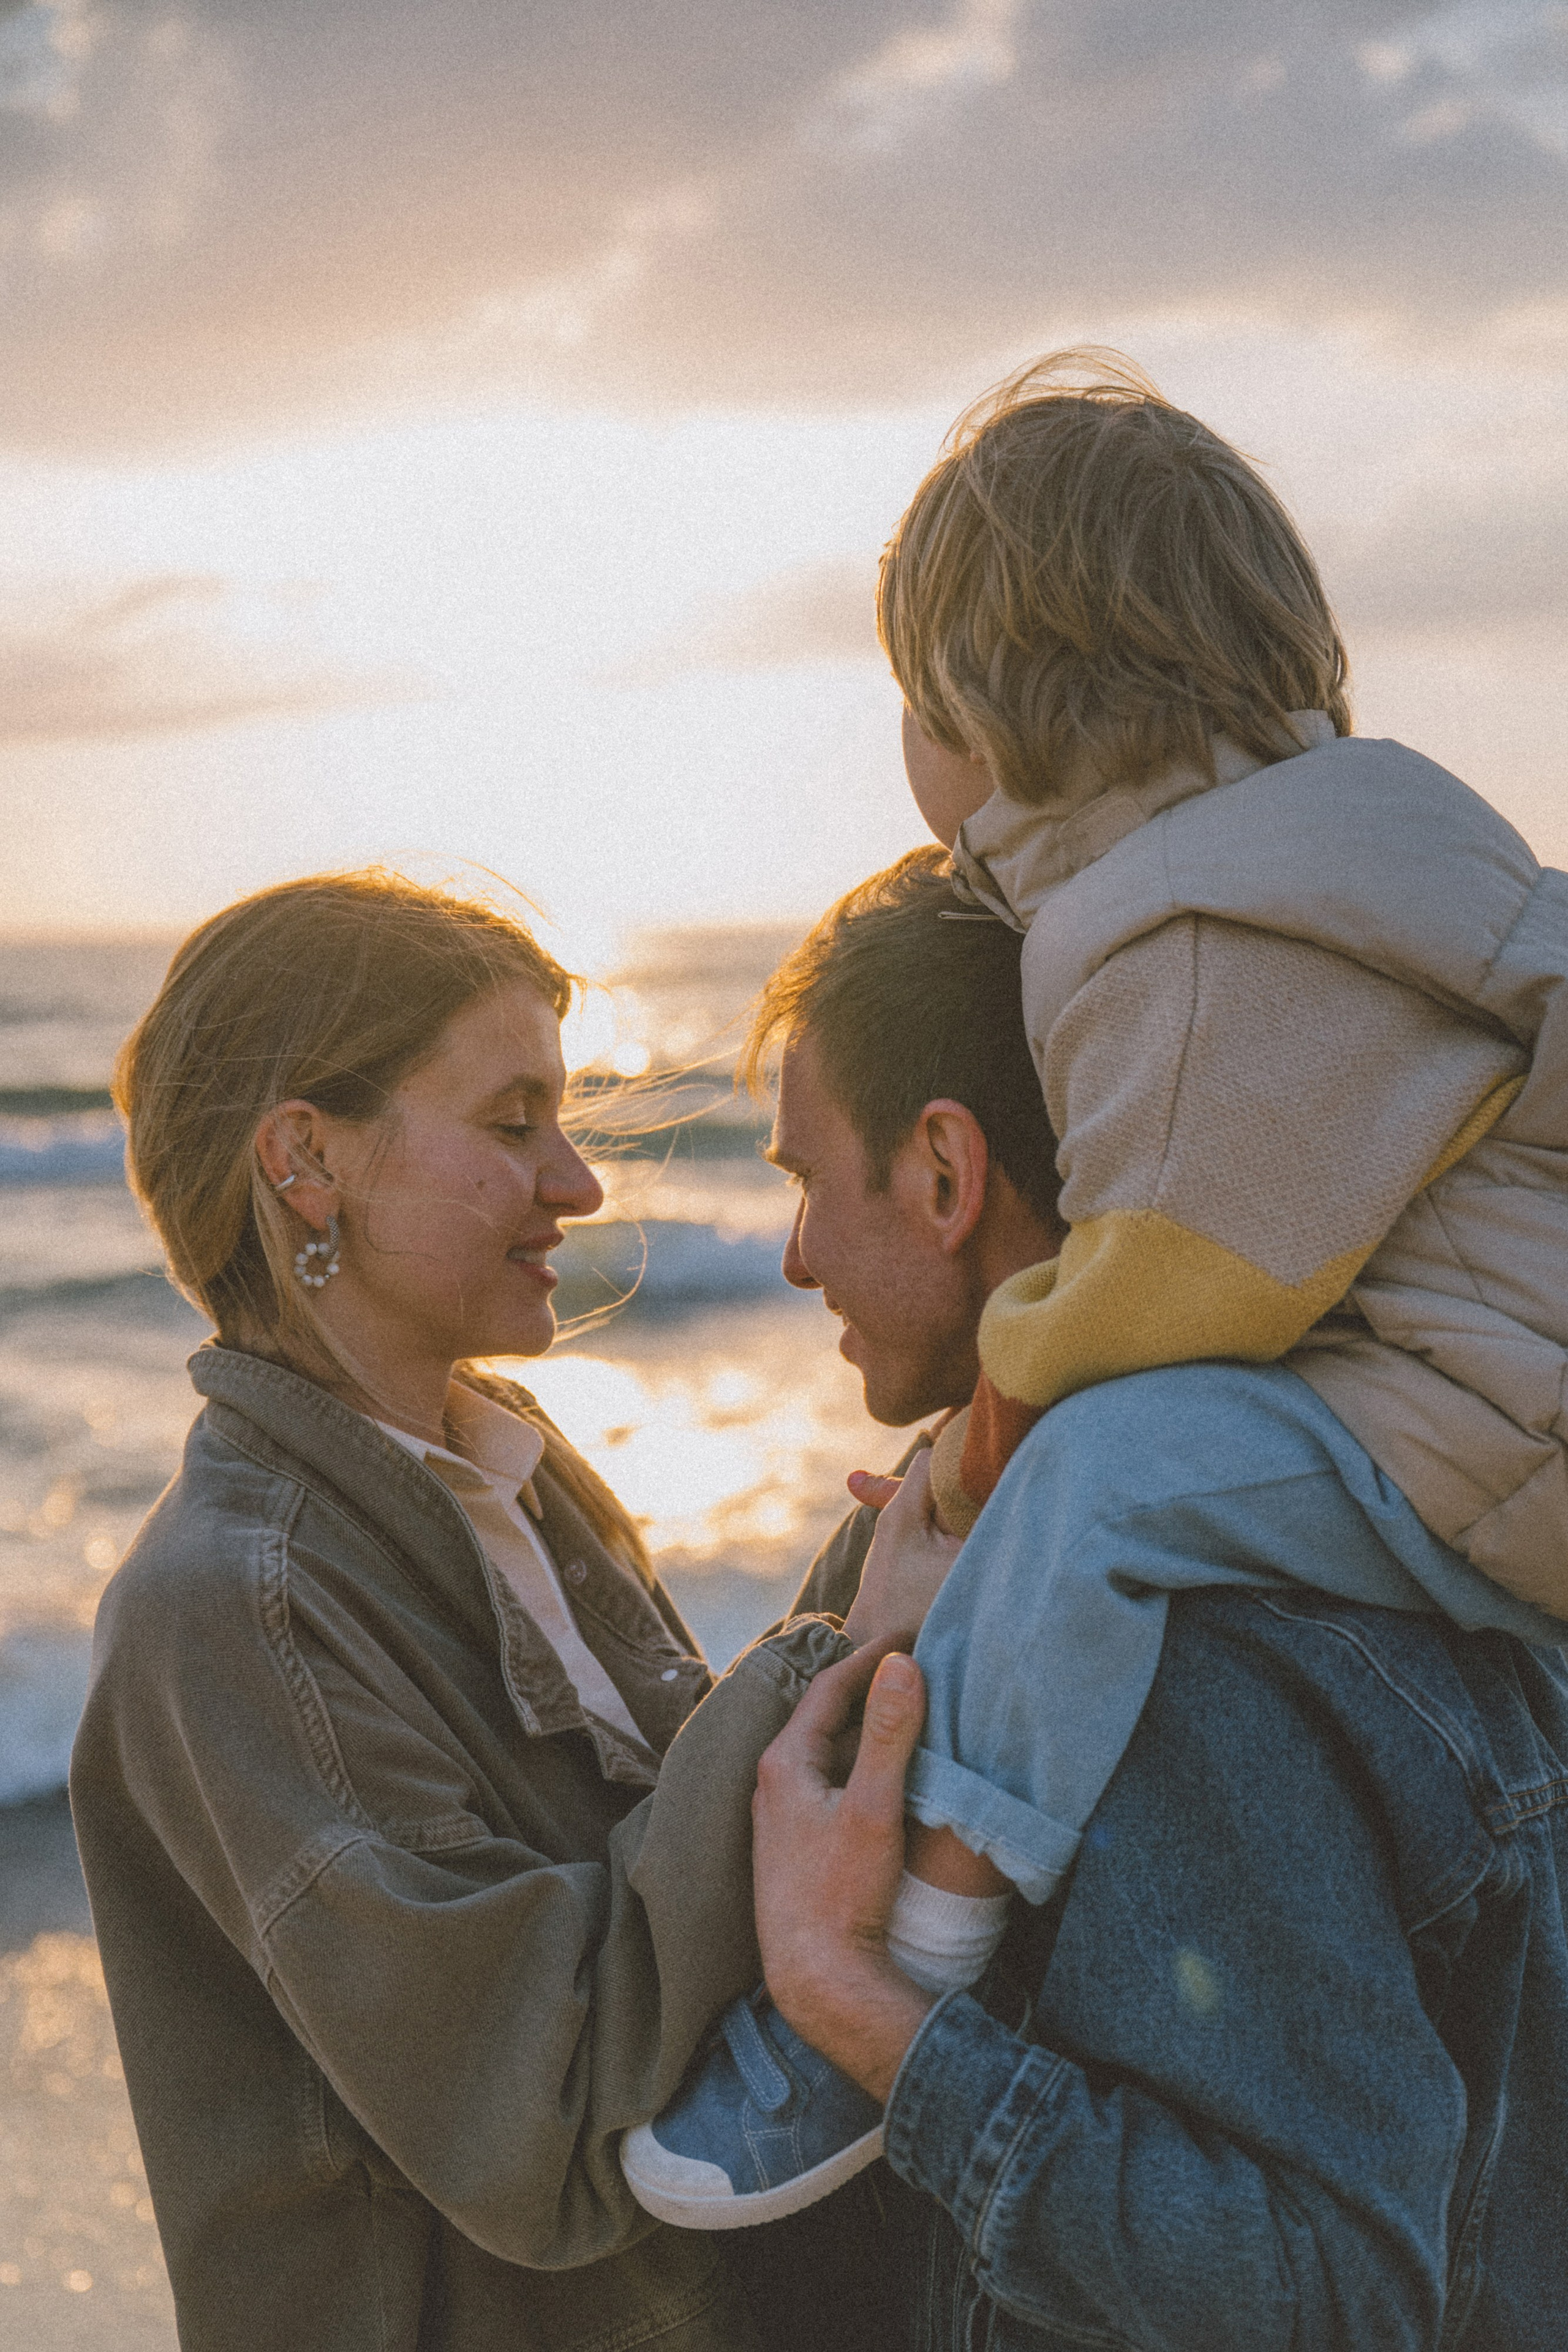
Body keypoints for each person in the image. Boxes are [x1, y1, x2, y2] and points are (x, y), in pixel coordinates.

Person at [624, 352, 1568, 2228]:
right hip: (1502, 1416)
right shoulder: (1351, 835)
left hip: (1486, 1417)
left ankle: (901, 1960)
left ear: (991, 693)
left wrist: (983, 1460)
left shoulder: (1172, 915)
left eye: (912, 697)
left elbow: (1180, 1283)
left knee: (1107, 1475)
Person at [653, 853, 1568, 2345]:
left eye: (807, 1179)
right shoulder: (1363, 1490)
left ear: (944, 1173)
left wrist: (856, 2008)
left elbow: (1322, 2298)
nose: (793, 1251)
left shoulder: (1191, 1649)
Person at [67, 870, 919, 2352]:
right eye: (512, 1123)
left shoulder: (513, 1468)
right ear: (305, 1161)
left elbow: (666, 1854)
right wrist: (827, 1661)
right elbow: (546, 2108)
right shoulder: (233, 1610)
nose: (580, 1183)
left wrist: (893, 1563)